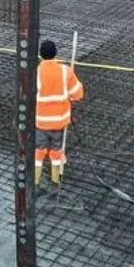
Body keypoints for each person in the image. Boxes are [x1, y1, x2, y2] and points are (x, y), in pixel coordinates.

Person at [34, 39, 85, 187]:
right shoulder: (65, 71)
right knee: (56, 151)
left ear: (41, 55)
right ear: (56, 54)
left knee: (38, 152)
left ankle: (35, 181)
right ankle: (55, 179)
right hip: (59, 122)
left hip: (41, 122)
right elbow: (78, 94)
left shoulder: (36, 72)